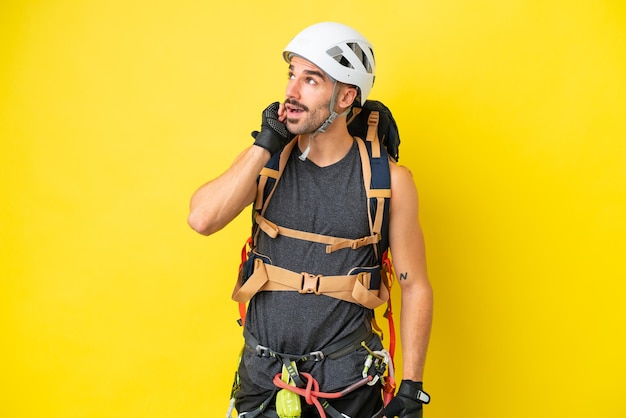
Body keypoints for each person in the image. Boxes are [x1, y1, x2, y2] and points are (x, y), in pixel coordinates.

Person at [188, 22, 433, 418]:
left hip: (347, 385)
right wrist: (264, 144)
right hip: (263, 382)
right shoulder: (267, 161)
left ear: (346, 96)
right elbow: (201, 218)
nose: (291, 91)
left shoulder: (390, 182)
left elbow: (415, 285)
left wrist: (411, 388)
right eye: (291, 76)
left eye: (311, 80)